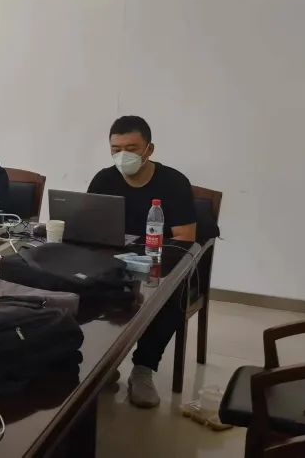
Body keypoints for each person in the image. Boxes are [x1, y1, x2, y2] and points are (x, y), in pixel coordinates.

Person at [88, 115, 197, 408]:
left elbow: (185, 238)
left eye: (132, 148)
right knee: (79, 283)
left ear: (149, 149)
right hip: (113, 260)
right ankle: (104, 362)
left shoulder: (173, 182)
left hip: (159, 263)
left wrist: (145, 255)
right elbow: (89, 228)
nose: (123, 155)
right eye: (116, 149)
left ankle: (143, 369)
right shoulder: (104, 179)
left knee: (172, 296)